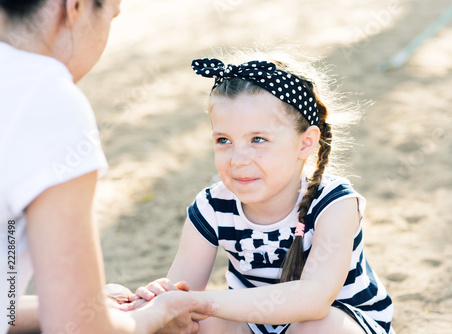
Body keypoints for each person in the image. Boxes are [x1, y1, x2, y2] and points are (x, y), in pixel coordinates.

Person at [128, 50, 395, 334]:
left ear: (305, 144)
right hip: (255, 326)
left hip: (341, 324)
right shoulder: (212, 207)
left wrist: (191, 301)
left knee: (319, 326)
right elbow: (184, 297)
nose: (238, 159)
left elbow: (314, 299)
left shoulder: (334, 203)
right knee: (191, 324)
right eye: (223, 140)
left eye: (258, 139)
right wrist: (160, 301)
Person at [0, 0, 217, 333]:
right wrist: (157, 315)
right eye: (111, 16)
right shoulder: (47, 99)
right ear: (75, 7)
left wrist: (83, 301)